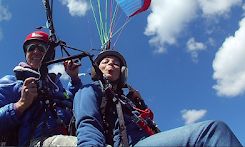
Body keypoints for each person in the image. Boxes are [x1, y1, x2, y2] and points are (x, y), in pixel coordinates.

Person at [73, 50, 243, 147]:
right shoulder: (88, 90)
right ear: (96, 69)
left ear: (122, 72)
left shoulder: (126, 100)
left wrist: (139, 103)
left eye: (115, 63)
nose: (111, 64)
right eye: (105, 62)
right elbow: (88, 124)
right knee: (213, 131)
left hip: (148, 140)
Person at [0, 31, 81, 146]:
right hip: (35, 142)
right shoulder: (11, 82)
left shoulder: (55, 85)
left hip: (68, 135)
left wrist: (74, 78)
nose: (36, 51)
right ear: (26, 53)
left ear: (50, 55)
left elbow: (73, 101)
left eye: (42, 48)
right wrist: (20, 105)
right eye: (31, 48)